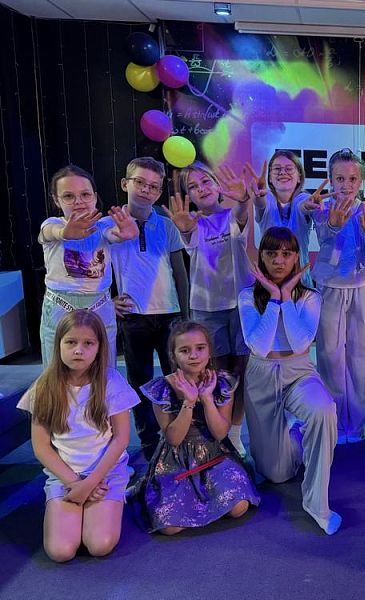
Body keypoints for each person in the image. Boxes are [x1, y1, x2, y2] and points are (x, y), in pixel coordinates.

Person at [238, 226, 340, 535]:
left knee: (323, 409)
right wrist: (275, 299)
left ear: (296, 257)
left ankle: (317, 504)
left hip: (299, 372)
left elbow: (299, 343)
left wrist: (287, 299)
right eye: (271, 254)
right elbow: (259, 346)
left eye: (286, 254)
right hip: (261, 375)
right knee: (276, 474)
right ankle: (294, 436)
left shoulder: (310, 297)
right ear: (262, 257)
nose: (279, 261)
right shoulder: (247, 296)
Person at [17, 309, 138, 562]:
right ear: (59, 344)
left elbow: (121, 439)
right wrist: (75, 484)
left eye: (88, 343)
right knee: (60, 551)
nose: (78, 350)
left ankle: (112, 501)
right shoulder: (45, 386)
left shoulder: (111, 382)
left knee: (99, 545)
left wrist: (90, 483)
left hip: (105, 474)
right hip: (65, 475)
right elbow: (41, 447)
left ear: (99, 347)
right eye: (71, 342)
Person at [136, 321, 260, 535]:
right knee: (169, 527)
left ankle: (203, 502)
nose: (194, 355)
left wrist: (207, 399)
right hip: (176, 459)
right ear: (173, 356)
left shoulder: (222, 383)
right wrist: (189, 402)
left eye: (200, 348)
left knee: (239, 506)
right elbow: (174, 439)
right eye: (185, 350)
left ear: (209, 351)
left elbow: (220, 433)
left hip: (215, 454)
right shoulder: (163, 388)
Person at [167, 161, 252, 455]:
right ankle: (216, 432)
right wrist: (185, 229)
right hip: (207, 309)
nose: (201, 189)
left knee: (241, 372)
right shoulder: (189, 223)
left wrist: (243, 200)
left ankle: (235, 433)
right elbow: (189, 238)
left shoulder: (234, 214)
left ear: (217, 185)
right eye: (193, 187)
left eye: (205, 182)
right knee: (215, 374)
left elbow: (242, 218)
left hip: (241, 305)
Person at [110, 156, 189, 461]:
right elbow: (97, 269)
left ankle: (181, 440)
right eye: (140, 182)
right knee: (140, 383)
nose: (146, 190)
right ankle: (149, 445)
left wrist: (185, 317)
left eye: (153, 186)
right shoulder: (109, 225)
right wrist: (108, 300)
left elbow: (180, 273)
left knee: (177, 380)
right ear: (125, 184)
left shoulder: (166, 226)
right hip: (133, 317)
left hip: (169, 316)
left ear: (159, 192)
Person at [311, 149, 365, 443]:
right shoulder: (321, 207)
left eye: (352, 179)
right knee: (330, 355)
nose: (346, 184)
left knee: (361, 355)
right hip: (330, 287)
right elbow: (324, 237)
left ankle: (357, 422)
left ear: (360, 181)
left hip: (361, 287)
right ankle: (336, 421)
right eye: (339, 178)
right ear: (330, 179)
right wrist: (333, 225)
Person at [38, 165, 138, 366]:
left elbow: (113, 235)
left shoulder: (104, 225)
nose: (78, 202)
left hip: (99, 304)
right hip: (60, 304)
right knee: (56, 368)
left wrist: (125, 234)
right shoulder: (53, 223)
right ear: (56, 200)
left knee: (104, 367)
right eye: (68, 196)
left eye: (85, 194)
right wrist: (63, 233)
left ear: (95, 197)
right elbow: (47, 233)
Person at [249, 150, 322, 287]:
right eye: (277, 169)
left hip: (300, 284)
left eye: (288, 169)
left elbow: (302, 207)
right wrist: (257, 196)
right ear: (270, 178)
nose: (282, 172)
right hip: (269, 283)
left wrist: (306, 207)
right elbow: (260, 204)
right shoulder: (266, 198)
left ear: (299, 177)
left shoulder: (304, 199)